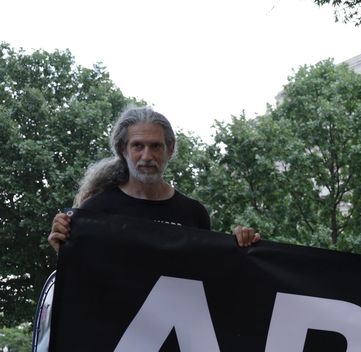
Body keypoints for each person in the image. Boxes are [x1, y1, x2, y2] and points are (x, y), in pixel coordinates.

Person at [46, 107, 260, 251]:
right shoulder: (95, 210)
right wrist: (64, 247)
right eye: (138, 146)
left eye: (156, 146)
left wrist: (242, 247)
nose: (147, 156)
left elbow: (209, 277)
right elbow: (83, 278)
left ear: (171, 148)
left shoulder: (194, 214)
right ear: (123, 149)